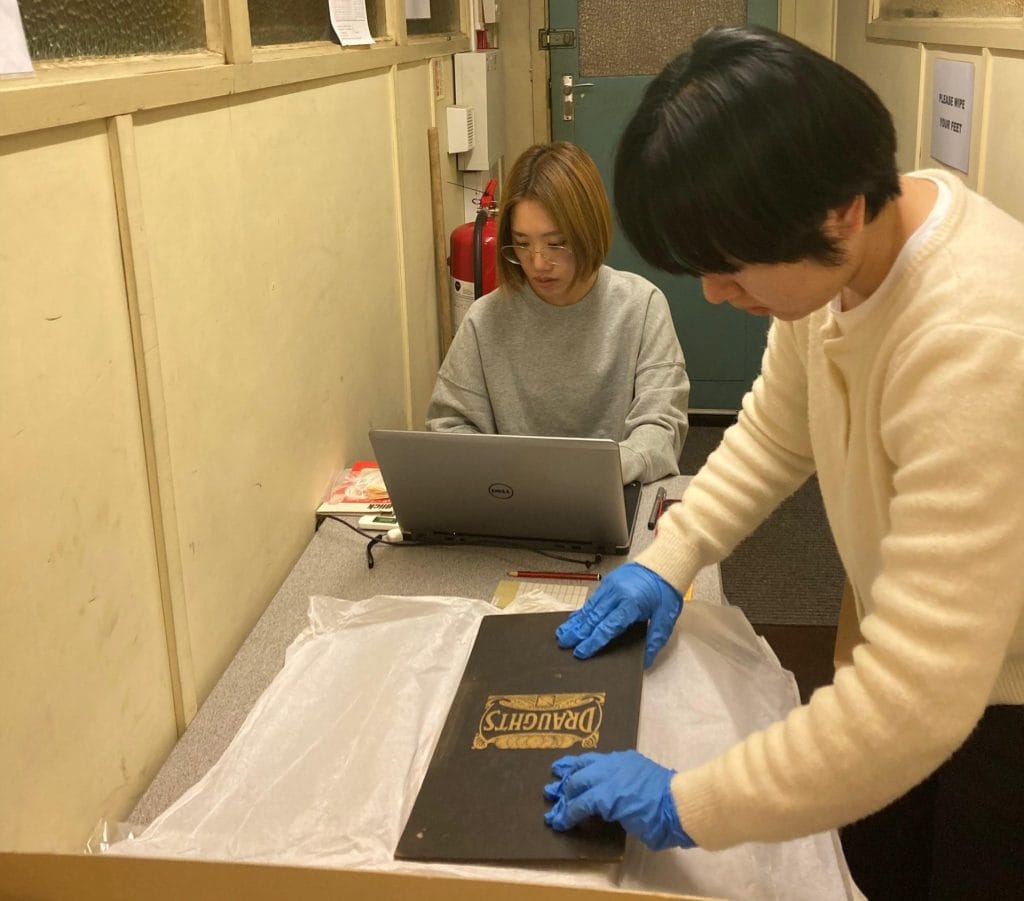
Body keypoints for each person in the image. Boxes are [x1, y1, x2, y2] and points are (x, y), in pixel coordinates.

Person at [544, 25, 1024, 899]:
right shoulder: (845, 257)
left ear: (839, 211)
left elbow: (916, 699)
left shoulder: (974, 338)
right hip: (924, 652)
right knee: (875, 855)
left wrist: (687, 802)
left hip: (1005, 690)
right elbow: (773, 434)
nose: (715, 294)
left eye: (732, 268)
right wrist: (671, 557)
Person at [426, 141, 689, 485]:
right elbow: (448, 426)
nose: (538, 263)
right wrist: (511, 475)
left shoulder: (642, 307)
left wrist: (589, 475)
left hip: (615, 488)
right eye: (522, 243)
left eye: (556, 243)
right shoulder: (486, 319)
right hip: (513, 497)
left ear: (589, 231)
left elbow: (661, 429)